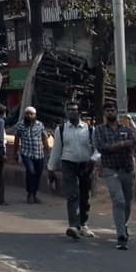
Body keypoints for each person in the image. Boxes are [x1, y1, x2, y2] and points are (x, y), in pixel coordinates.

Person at [95, 102, 136, 250]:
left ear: (116, 112)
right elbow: (103, 148)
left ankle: (123, 225)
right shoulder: (100, 130)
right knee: (119, 200)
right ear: (104, 113)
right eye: (107, 110)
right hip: (111, 170)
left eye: (112, 110)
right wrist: (122, 144)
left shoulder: (127, 130)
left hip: (127, 170)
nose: (110, 112)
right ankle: (121, 236)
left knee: (127, 203)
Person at [47, 101, 98, 240]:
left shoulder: (89, 129)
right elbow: (56, 150)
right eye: (69, 110)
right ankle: (73, 225)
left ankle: (83, 224)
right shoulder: (61, 129)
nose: (71, 112)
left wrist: (93, 160)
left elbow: (97, 149)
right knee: (72, 194)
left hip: (85, 165)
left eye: (74, 110)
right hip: (68, 163)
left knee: (84, 195)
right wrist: (50, 169)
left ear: (79, 112)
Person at [13, 106, 50, 204]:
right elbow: (16, 140)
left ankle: (34, 194)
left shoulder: (40, 125)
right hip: (26, 153)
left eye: (31, 114)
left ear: (35, 115)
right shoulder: (20, 125)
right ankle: (29, 194)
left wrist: (48, 151)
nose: (29, 115)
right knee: (31, 172)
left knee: (38, 174)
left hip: (39, 154)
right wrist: (15, 153)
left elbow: (44, 138)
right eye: (27, 113)